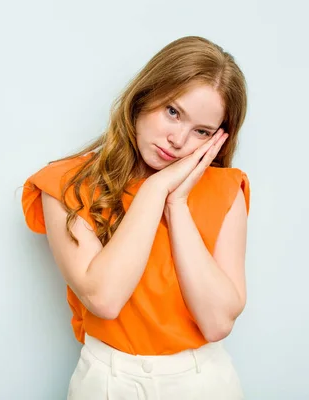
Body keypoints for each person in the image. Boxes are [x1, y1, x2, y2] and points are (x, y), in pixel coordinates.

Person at [21, 36, 251, 399]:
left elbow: (217, 322)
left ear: (216, 141)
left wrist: (176, 205)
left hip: (203, 381)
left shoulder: (225, 190)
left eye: (201, 132)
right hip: (107, 382)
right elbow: (104, 298)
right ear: (145, 96)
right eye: (173, 112)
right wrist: (154, 191)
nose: (178, 140)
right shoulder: (66, 183)